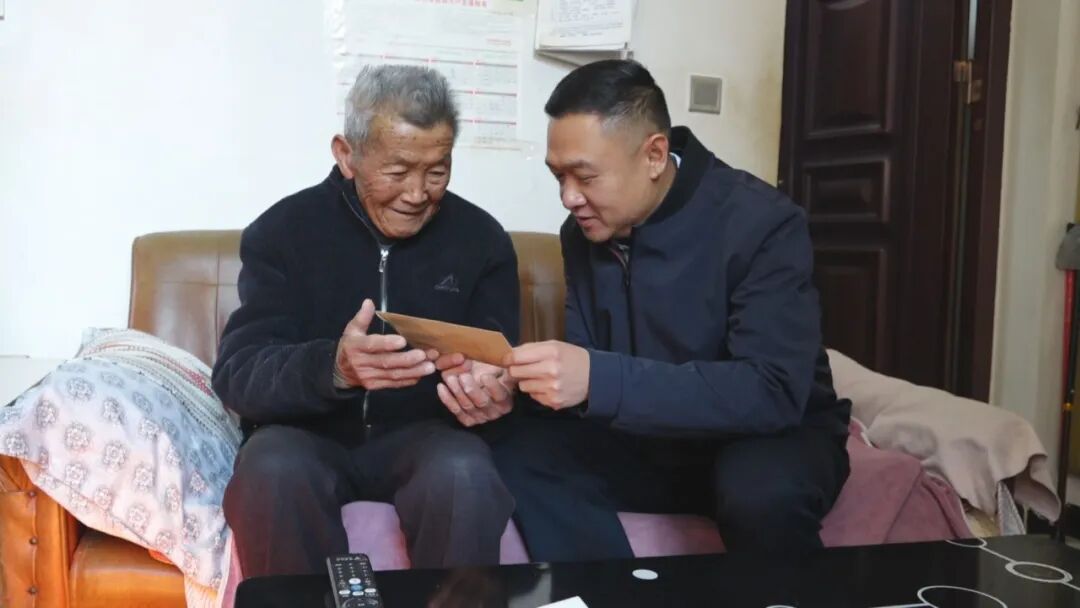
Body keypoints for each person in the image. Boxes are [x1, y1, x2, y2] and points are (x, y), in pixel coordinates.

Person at [439, 59, 851, 561]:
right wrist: (514, 383)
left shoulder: (763, 223)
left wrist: (597, 379)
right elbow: (589, 368)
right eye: (558, 176)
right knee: (515, 445)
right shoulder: (584, 233)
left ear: (654, 155)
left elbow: (772, 391)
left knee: (759, 493)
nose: (568, 197)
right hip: (650, 437)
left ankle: (791, 594)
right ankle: (605, 591)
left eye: (585, 176)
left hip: (766, 435)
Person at [213, 64, 519, 577]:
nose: (417, 193)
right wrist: (335, 368)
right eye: (397, 172)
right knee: (271, 469)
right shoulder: (283, 232)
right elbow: (238, 375)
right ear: (347, 154)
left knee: (465, 473)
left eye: (437, 171)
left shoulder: (481, 241)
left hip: (426, 436)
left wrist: (495, 391)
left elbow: (502, 366)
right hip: (306, 435)